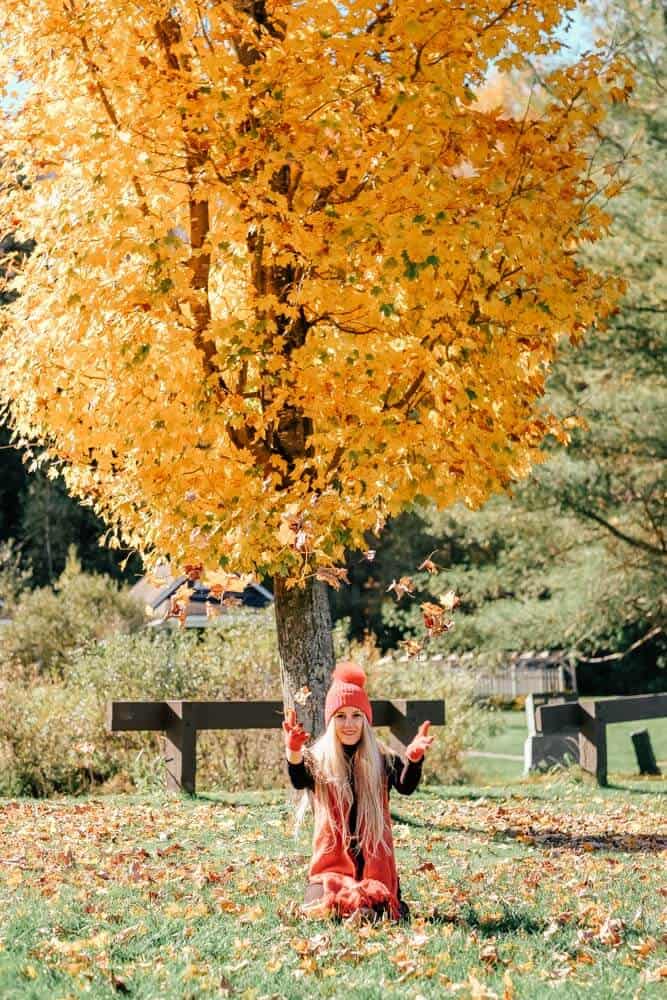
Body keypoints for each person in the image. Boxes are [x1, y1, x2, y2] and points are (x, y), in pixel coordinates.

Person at [283, 661, 434, 922]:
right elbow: (298, 778)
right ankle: (355, 908)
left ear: (366, 720)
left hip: (374, 867)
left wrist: (414, 758)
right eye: (341, 716)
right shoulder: (318, 760)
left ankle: (367, 909)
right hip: (332, 866)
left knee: (379, 906)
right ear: (331, 721)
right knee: (321, 905)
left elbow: (406, 785)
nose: (349, 723)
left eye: (356, 715)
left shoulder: (382, 758)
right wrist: (293, 752)